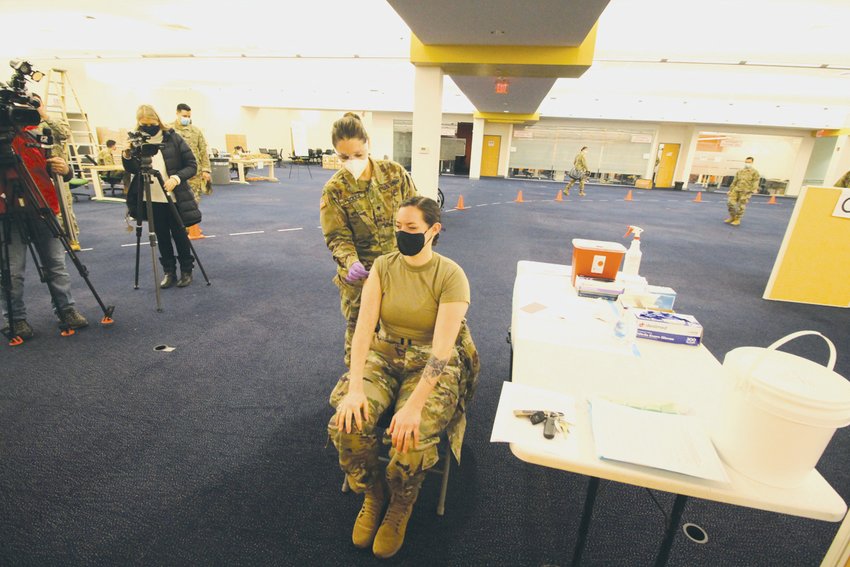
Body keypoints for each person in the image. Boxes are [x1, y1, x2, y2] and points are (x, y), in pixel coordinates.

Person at [328, 196, 480, 559]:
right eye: (398, 227)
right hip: (384, 352)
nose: (402, 234)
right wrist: (355, 383)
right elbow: (364, 328)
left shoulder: (450, 275)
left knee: (410, 439)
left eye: (411, 228)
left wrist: (413, 406)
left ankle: (400, 504)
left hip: (429, 360)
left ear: (433, 230)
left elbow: (443, 350)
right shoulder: (383, 266)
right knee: (345, 423)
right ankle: (372, 491)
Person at [320, 112, 418, 366]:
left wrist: (420, 256)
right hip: (361, 276)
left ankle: (393, 373)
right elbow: (337, 236)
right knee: (360, 332)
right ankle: (356, 382)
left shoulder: (394, 174)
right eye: (344, 157)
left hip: (400, 269)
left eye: (358, 155)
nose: (352, 161)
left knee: (402, 326)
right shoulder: (335, 190)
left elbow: (416, 216)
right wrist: (350, 262)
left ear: (368, 145)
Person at [0, 124, 89, 339]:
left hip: (42, 205)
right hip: (6, 210)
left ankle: (66, 309)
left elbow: (57, 168)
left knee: (56, 263)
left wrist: (65, 169)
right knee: (12, 270)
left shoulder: (34, 132)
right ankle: (15, 319)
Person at [122, 105, 200, 289]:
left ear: (158, 120)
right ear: (139, 123)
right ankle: (169, 272)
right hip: (150, 197)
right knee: (162, 237)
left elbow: (191, 164)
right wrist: (126, 154)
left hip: (174, 196)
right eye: (144, 124)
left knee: (180, 235)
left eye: (152, 123)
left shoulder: (173, 137)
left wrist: (176, 178)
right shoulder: (136, 140)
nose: (149, 126)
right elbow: (133, 169)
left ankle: (186, 270)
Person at [31, 93, 82, 251]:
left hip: (57, 172)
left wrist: (44, 115)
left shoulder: (52, 121)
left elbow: (65, 133)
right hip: (35, 173)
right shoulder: (25, 125)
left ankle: (72, 238)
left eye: (36, 104)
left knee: (64, 207)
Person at [172, 103, 211, 202]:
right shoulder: (169, 130)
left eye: (189, 116)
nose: (187, 118)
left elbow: (203, 151)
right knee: (175, 202)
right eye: (184, 116)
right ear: (177, 113)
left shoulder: (196, 131)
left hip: (194, 173)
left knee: (193, 201)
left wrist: (206, 170)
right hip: (175, 173)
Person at [725, 156, 761, 226]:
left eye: (749, 162)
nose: (747, 163)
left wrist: (755, 189)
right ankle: (732, 217)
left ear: (752, 162)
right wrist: (730, 190)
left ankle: (737, 219)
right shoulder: (740, 171)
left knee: (741, 206)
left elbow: (756, 181)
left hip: (746, 191)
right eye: (746, 162)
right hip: (736, 189)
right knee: (730, 203)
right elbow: (735, 181)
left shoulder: (754, 172)